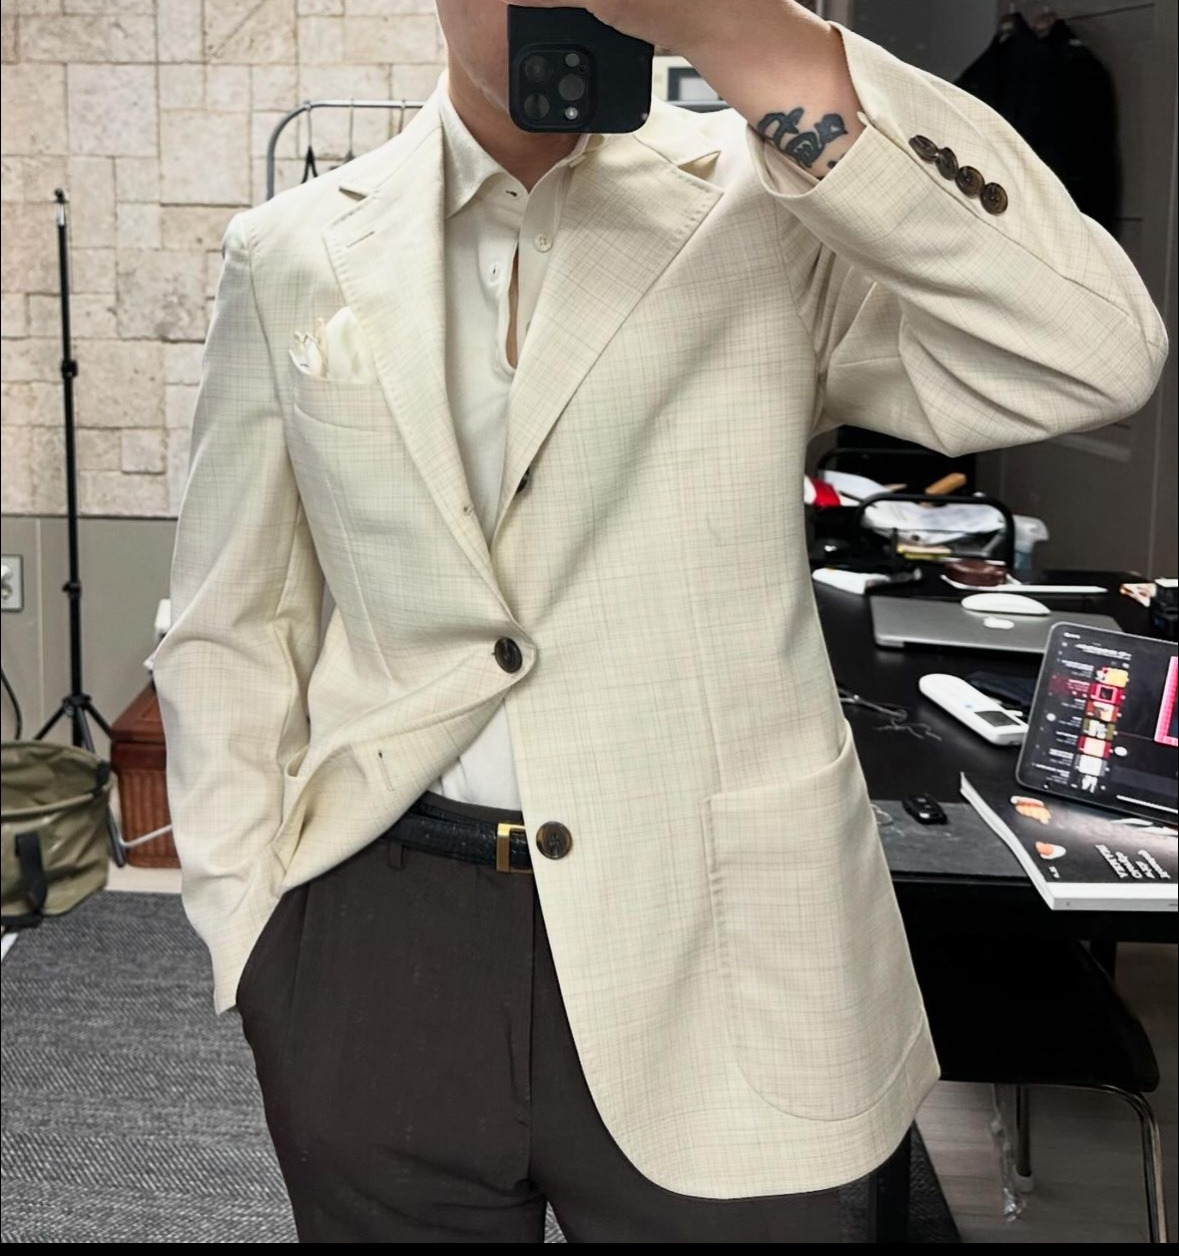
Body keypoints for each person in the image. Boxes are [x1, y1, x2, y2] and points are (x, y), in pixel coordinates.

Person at [151, 0, 1167, 1243]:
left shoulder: (773, 205)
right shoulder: (293, 250)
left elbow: (1092, 354)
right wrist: (252, 932)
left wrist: (743, 31)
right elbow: (232, 616)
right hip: (382, 934)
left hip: (730, 949)